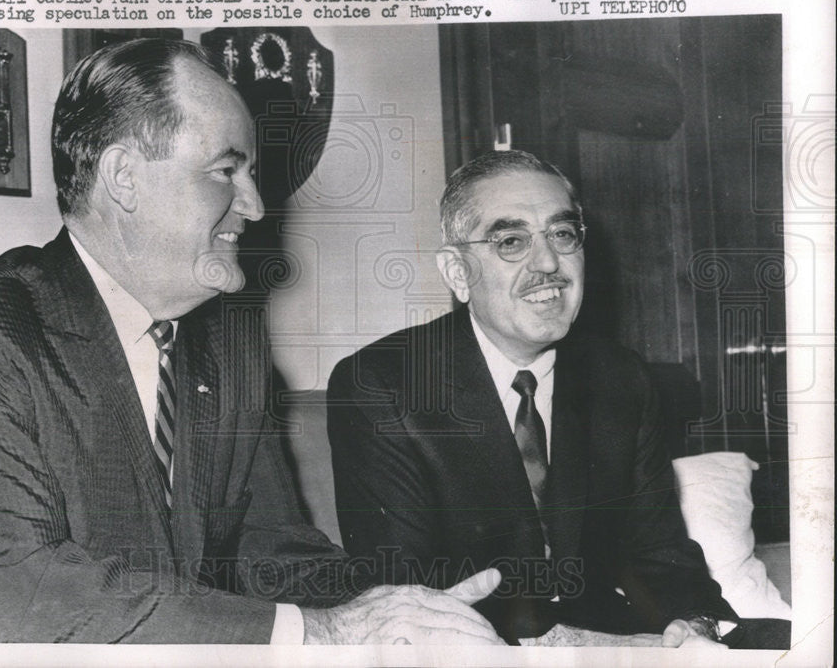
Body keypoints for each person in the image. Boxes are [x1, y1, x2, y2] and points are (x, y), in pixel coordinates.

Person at [0, 38, 504, 645]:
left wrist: (406, 608)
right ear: (124, 177)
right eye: (226, 170)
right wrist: (323, 632)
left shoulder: (229, 343)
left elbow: (269, 548)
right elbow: (27, 598)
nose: (255, 206)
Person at [328, 149, 775, 648]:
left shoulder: (620, 377)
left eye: (562, 235)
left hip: (620, 643)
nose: (548, 264)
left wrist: (694, 624)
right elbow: (405, 589)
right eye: (511, 241)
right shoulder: (383, 384)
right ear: (457, 272)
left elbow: (659, 552)